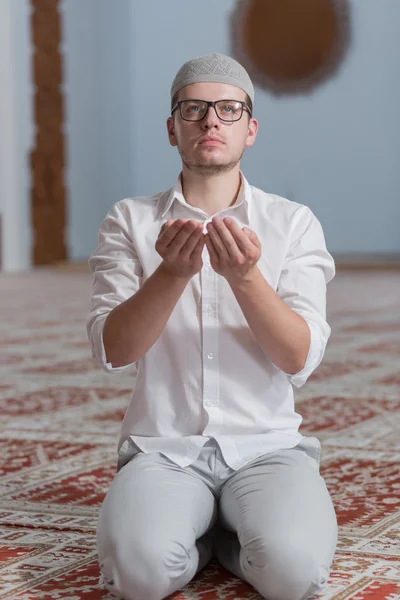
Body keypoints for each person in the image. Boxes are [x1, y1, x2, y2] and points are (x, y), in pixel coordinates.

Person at [87, 52, 338, 600]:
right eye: (194, 109)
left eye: (228, 109)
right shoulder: (129, 220)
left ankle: (227, 538)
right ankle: (201, 543)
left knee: (294, 574)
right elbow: (114, 349)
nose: (210, 121)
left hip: (267, 447)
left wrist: (247, 280)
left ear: (251, 129)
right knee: (139, 574)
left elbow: (299, 356)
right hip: (164, 448)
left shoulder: (292, 223)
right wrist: (170, 276)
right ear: (171, 127)